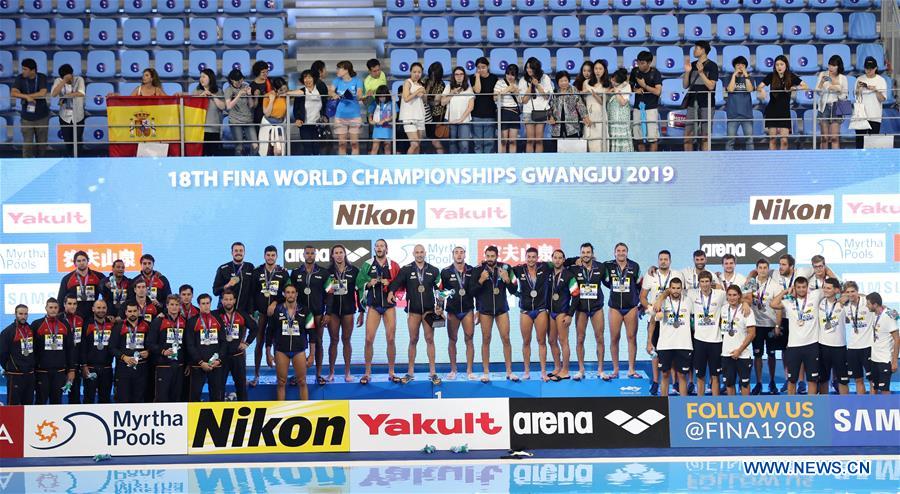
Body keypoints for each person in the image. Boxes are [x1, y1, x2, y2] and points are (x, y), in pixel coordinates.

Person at [387, 245, 444, 384]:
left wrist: (440, 307)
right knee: (413, 340)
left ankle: (433, 372)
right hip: (413, 311)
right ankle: (410, 372)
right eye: (417, 252)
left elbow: (440, 290)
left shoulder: (434, 270)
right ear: (413, 254)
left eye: (421, 252)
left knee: (430, 339)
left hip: (429, 311)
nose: (419, 254)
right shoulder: (406, 269)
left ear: (425, 253)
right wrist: (390, 292)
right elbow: (396, 283)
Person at [357, 240, 401, 384]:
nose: (379, 248)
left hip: (389, 306)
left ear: (386, 249)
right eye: (377, 246)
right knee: (369, 339)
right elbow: (359, 283)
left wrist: (391, 286)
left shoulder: (393, 265)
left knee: (391, 339)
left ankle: (391, 371)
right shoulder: (368, 264)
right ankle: (367, 373)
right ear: (374, 249)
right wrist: (369, 283)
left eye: (382, 246)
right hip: (374, 306)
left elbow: (401, 282)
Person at [471, 246, 518, 382]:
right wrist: (481, 280)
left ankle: (509, 371)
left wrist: (507, 279)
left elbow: (514, 289)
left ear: (497, 256)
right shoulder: (478, 270)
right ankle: (486, 372)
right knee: (486, 339)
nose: (490, 259)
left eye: (493, 256)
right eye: (488, 256)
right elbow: (472, 291)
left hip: (502, 309)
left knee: (506, 338)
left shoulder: (506, 268)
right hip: (485, 310)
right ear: (485, 256)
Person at [770, 277, 821, 395]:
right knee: (792, 380)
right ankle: (791, 406)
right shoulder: (789, 301)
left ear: (807, 287)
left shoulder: (815, 296)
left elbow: (833, 289)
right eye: (798, 287)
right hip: (793, 346)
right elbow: (773, 304)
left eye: (804, 287)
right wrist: (785, 291)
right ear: (795, 288)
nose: (801, 290)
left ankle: (812, 406)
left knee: (812, 380)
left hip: (812, 345)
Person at [566, 243, 608, 381]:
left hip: (596, 308)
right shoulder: (574, 269)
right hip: (581, 309)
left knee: (600, 338)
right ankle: (581, 370)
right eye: (583, 252)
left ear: (592, 253)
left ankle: (600, 370)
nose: (585, 255)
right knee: (580, 338)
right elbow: (561, 263)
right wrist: (573, 260)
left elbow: (611, 278)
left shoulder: (601, 267)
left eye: (588, 252)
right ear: (580, 254)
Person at [266, 284, 315, 400]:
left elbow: (312, 334)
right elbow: (269, 333)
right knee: (281, 382)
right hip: (281, 351)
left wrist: (312, 355)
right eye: (287, 292)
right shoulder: (277, 310)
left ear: (297, 294)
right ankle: (281, 412)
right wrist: (268, 353)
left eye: (293, 292)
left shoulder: (305, 311)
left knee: (302, 381)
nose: (290, 295)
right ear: (284, 294)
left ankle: (305, 410)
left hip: (299, 350)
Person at [324, 244, 364, 382]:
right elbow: (326, 294)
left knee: (346, 340)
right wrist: (326, 313)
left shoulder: (354, 270)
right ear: (332, 255)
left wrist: (361, 311)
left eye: (341, 252)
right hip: (333, 312)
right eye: (336, 252)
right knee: (333, 340)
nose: (339, 255)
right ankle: (331, 372)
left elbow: (359, 292)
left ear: (345, 254)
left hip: (348, 311)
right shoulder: (327, 271)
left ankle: (347, 372)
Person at [512, 247, 552, 381]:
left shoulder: (545, 267)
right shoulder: (519, 269)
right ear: (525, 257)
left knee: (541, 341)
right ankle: (527, 371)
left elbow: (562, 261)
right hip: (525, 310)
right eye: (528, 257)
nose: (531, 259)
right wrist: (516, 293)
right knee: (526, 341)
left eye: (533, 257)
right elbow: (505, 272)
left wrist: (577, 260)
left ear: (537, 258)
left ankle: (543, 372)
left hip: (540, 309)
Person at [742, 259, 782, 395]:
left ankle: (772, 382)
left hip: (770, 324)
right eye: (760, 267)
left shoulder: (775, 285)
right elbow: (743, 298)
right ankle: (758, 383)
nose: (763, 270)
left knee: (771, 355)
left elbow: (779, 308)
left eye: (765, 267)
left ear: (768, 269)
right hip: (756, 325)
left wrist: (777, 325)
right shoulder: (750, 283)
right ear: (756, 268)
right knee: (757, 355)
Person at [290, 245, 329, 385]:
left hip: (318, 314)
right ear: (303, 255)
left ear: (316, 255)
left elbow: (330, 294)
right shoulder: (295, 273)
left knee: (318, 343)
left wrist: (328, 313)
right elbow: (289, 292)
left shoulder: (324, 273)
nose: (310, 255)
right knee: (297, 344)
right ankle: (298, 375)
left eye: (312, 253)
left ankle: (318, 374)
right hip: (298, 314)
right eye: (308, 253)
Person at [250, 245, 287, 387]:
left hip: (276, 313)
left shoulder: (283, 273)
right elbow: (252, 293)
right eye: (268, 255)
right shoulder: (257, 272)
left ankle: (280, 376)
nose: (270, 257)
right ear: (264, 256)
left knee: (278, 344)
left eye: (273, 255)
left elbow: (287, 293)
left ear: (276, 256)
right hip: (260, 313)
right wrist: (254, 312)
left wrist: (275, 303)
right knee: (259, 343)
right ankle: (256, 375)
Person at [604, 243, 641, 379]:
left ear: (627, 252)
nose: (621, 253)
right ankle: (615, 369)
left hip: (631, 307)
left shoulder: (634, 266)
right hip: (614, 308)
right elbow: (605, 281)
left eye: (623, 250)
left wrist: (639, 303)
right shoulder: (608, 266)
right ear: (614, 253)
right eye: (618, 251)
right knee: (614, 338)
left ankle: (631, 369)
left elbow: (640, 284)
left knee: (631, 337)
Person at [650, 278, 693, 397]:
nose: (675, 291)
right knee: (664, 375)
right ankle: (664, 403)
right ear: (669, 288)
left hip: (684, 344)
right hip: (665, 344)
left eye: (678, 288)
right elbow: (653, 320)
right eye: (673, 288)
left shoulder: (689, 301)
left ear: (682, 289)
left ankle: (683, 404)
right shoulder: (662, 302)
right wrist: (649, 342)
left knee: (682, 375)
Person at [440, 246, 477, 381]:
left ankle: (469, 371)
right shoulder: (445, 272)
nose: (459, 255)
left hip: (467, 310)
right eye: (456, 252)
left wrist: (478, 310)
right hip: (452, 310)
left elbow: (477, 291)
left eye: (461, 252)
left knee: (469, 339)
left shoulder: (472, 270)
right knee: (452, 340)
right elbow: (441, 292)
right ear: (453, 255)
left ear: (465, 255)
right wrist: (440, 308)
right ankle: (453, 370)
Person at [641, 250, 674, 395]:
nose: (663, 261)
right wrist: (650, 308)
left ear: (670, 261)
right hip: (654, 319)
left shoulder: (676, 275)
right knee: (654, 352)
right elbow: (642, 296)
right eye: (661, 259)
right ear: (658, 260)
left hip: (671, 320)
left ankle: (675, 383)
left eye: (666, 259)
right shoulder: (651, 275)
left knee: (671, 352)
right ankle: (655, 382)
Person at [31, 298, 75, 404]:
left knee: (56, 402)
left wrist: (71, 369)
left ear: (59, 308)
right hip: (42, 372)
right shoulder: (36, 324)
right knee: (40, 402)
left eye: (55, 307)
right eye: (50, 307)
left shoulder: (65, 324)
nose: (53, 310)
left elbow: (70, 348)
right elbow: (32, 349)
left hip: (59, 372)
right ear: (46, 308)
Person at [758, 55, 807, 150]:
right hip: (772, 111)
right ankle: (773, 162)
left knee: (784, 141)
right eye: (777, 65)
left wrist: (795, 88)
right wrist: (762, 90)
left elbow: (805, 86)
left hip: (784, 112)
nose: (779, 67)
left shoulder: (791, 76)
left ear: (786, 65)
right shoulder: (771, 76)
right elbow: (759, 86)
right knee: (772, 139)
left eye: (781, 64)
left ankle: (783, 162)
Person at [689, 271, 726, 396]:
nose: (704, 284)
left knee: (715, 376)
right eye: (702, 282)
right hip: (699, 341)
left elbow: (734, 301)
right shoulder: (692, 294)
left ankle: (715, 403)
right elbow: (672, 291)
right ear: (699, 283)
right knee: (700, 375)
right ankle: (700, 402)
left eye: (707, 281)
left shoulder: (720, 295)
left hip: (716, 341)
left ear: (711, 283)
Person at [217, 289, 257, 401]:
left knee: (241, 386)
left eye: (230, 299)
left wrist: (247, 343)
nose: (228, 302)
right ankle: (219, 412)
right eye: (226, 299)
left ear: (234, 300)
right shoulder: (215, 314)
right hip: (221, 357)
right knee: (219, 386)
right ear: (222, 301)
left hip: (237, 355)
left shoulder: (241, 314)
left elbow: (255, 328)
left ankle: (244, 412)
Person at [186, 294, 225, 402]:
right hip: (199, 365)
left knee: (217, 395)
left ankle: (216, 418)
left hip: (215, 365)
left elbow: (224, 342)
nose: (206, 306)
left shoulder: (217, 320)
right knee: (195, 395)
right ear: (199, 305)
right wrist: (200, 362)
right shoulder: (192, 322)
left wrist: (219, 360)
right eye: (203, 304)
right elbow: (190, 345)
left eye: (208, 303)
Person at [147, 295, 186, 402]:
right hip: (163, 365)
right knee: (162, 398)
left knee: (176, 397)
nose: (174, 307)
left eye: (177, 305)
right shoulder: (158, 321)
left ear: (180, 307)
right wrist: (163, 351)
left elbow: (187, 344)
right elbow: (150, 343)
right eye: (172, 304)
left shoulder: (184, 321)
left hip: (179, 365)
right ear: (167, 306)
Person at [719, 285, 757, 396]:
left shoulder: (747, 310)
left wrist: (739, 350)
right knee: (729, 384)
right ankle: (733, 409)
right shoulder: (723, 309)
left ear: (739, 296)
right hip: (726, 353)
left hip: (743, 355)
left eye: (734, 295)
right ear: (726, 296)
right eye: (729, 295)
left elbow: (752, 334)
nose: (732, 298)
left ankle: (746, 410)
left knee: (744, 384)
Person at [112, 301, 151, 403]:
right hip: (124, 369)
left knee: (139, 399)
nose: (132, 313)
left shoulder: (147, 326)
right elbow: (112, 348)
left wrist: (148, 352)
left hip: (141, 368)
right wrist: (124, 357)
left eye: (135, 311)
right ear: (126, 312)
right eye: (130, 311)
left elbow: (152, 344)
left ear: (139, 312)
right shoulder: (118, 327)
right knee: (123, 399)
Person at [682, 41, 718, 151]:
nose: (694, 50)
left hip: (707, 103)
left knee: (705, 135)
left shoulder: (712, 66)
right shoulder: (692, 65)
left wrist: (701, 73)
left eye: (696, 48)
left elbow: (711, 86)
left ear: (703, 50)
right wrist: (687, 72)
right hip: (692, 102)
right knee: (688, 134)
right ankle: (688, 160)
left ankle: (705, 162)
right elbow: (685, 85)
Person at [548, 249, 578, 381]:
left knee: (563, 341)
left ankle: (565, 370)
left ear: (564, 260)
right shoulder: (549, 273)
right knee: (552, 340)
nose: (557, 260)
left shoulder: (569, 275)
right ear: (552, 259)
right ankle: (557, 367)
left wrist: (570, 314)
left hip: (562, 312)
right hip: (551, 312)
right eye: (555, 257)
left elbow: (576, 296)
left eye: (560, 258)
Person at [12, 58, 50, 158]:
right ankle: (26, 166)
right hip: (26, 118)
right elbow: (13, 92)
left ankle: (41, 164)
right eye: (22, 69)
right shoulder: (19, 78)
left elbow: (43, 93)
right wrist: (26, 97)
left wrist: (29, 96)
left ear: (33, 70)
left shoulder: (42, 77)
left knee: (42, 144)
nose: (22, 71)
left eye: (25, 69)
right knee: (27, 144)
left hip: (42, 117)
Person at [817, 278, 850, 395]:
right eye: (824, 287)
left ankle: (845, 406)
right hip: (822, 346)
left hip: (839, 347)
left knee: (843, 380)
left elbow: (857, 295)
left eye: (828, 288)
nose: (825, 290)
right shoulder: (819, 302)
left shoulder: (844, 303)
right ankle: (823, 407)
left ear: (836, 290)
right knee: (823, 380)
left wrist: (845, 296)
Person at [80, 299, 115, 404]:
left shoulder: (112, 325)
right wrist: (84, 366)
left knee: (105, 400)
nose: (101, 310)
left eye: (104, 308)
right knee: (88, 399)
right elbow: (82, 347)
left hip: (107, 368)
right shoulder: (87, 325)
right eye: (98, 308)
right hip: (90, 368)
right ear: (93, 309)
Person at [0, 305, 35, 405]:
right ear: (15, 314)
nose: (23, 316)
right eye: (20, 314)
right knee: (13, 406)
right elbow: (2, 354)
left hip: (29, 374)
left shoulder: (30, 330)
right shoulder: (7, 332)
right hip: (15, 375)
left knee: (28, 405)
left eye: (25, 314)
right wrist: (9, 367)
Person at [58, 249, 107, 320]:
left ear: (88, 261)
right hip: (74, 317)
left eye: (84, 260)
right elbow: (61, 299)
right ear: (75, 263)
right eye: (79, 261)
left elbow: (107, 295)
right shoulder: (67, 279)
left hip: (94, 316)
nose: (82, 263)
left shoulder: (99, 276)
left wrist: (107, 313)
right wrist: (60, 317)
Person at [865, 292, 897, 395]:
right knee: (874, 386)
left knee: (884, 390)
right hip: (875, 358)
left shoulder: (888, 316)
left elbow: (897, 339)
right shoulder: (875, 314)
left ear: (875, 305)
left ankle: (887, 409)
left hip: (885, 359)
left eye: (868, 304)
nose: (866, 306)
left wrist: (895, 361)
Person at [843, 281, 871, 394]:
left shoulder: (867, 301)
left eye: (853, 291)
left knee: (872, 379)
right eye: (848, 292)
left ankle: (874, 404)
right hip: (853, 347)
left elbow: (882, 308)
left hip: (868, 346)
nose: (851, 294)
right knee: (858, 379)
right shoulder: (845, 305)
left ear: (858, 291)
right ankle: (862, 404)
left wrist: (896, 315)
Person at [519, 57, 553, 154]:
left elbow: (547, 96)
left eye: (531, 68)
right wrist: (531, 86)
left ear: (536, 68)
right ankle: (529, 162)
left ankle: (538, 162)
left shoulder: (545, 78)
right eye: (527, 67)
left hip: (541, 111)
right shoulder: (523, 80)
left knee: (539, 140)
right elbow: (524, 100)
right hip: (528, 111)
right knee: (530, 140)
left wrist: (537, 85)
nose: (529, 70)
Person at [51, 63, 85, 157]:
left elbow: (81, 93)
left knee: (77, 140)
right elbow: (53, 94)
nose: (68, 81)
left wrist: (65, 96)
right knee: (68, 141)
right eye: (64, 78)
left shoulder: (79, 79)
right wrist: (63, 81)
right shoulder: (58, 80)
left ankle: (78, 160)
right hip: (64, 116)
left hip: (78, 116)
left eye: (68, 78)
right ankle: (70, 160)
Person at [630, 51, 662, 152]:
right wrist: (636, 90)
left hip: (651, 108)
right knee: (638, 138)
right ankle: (641, 162)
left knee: (652, 138)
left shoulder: (655, 73)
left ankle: (653, 162)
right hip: (637, 108)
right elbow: (629, 87)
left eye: (642, 63)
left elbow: (658, 92)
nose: (639, 65)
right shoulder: (635, 71)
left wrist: (644, 86)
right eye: (638, 62)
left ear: (649, 63)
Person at [815, 55, 849, 150]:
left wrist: (835, 88)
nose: (831, 68)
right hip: (824, 107)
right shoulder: (822, 74)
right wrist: (822, 83)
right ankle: (823, 161)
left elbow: (845, 96)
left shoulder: (843, 78)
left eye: (834, 65)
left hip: (837, 106)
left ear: (839, 66)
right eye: (830, 65)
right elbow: (818, 92)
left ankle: (835, 161)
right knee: (824, 138)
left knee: (835, 138)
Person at [331, 61, 364, 155]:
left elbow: (359, 94)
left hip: (354, 115)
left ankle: (355, 166)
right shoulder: (336, 80)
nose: (337, 70)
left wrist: (357, 96)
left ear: (346, 70)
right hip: (340, 116)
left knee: (354, 144)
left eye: (339, 68)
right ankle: (342, 165)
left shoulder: (357, 81)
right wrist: (334, 94)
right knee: (342, 144)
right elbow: (331, 90)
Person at [853, 57, 887, 149]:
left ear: (875, 68)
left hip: (875, 116)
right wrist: (859, 90)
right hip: (861, 116)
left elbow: (882, 99)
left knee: (873, 144)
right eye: (867, 68)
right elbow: (856, 97)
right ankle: (859, 162)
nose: (869, 70)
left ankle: (871, 163)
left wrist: (876, 90)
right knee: (859, 143)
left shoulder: (881, 80)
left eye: (871, 68)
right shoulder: (859, 79)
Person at [292, 69, 328, 156]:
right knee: (307, 146)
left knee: (317, 147)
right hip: (304, 124)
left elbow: (325, 104)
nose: (307, 80)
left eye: (309, 77)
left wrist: (325, 116)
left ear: (314, 78)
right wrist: (297, 119)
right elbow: (296, 109)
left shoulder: (320, 90)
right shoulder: (300, 92)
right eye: (305, 78)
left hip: (317, 124)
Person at [212, 242, 255, 313]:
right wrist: (227, 285)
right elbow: (215, 291)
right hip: (225, 311)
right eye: (236, 250)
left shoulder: (249, 267)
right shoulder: (223, 268)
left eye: (241, 250)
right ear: (232, 253)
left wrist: (250, 311)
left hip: (244, 311)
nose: (238, 253)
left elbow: (252, 291)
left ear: (244, 252)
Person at [548, 71, 590, 142]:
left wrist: (585, 117)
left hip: (572, 126)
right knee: (556, 147)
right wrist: (550, 117)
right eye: (561, 81)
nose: (563, 83)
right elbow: (550, 107)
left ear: (569, 80)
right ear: (557, 82)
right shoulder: (555, 92)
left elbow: (580, 105)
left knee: (572, 146)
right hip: (557, 126)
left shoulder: (573, 90)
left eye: (565, 80)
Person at [441, 66, 475, 154]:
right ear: (453, 76)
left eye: (461, 74)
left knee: (464, 144)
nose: (459, 76)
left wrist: (461, 119)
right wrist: (452, 93)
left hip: (464, 120)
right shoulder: (448, 87)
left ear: (464, 76)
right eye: (456, 74)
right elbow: (443, 102)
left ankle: (463, 164)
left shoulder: (469, 88)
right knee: (452, 144)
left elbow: (471, 107)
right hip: (451, 120)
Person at [224, 69, 258, 156]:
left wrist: (249, 94)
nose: (240, 82)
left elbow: (251, 105)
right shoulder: (229, 90)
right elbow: (228, 106)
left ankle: (253, 165)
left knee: (255, 145)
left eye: (241, 79)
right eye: (237, 80)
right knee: (239, 148)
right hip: (235, 121)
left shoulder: (246, 86)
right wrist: (239, 95)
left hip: (248, 120)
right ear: (231, 80)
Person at [724, 56, 755, 151]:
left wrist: (746, 75)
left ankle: (751, 161)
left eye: (742, 65)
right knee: (730, 141)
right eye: (738, 64)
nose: (740, 66)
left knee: (749, 140)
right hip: (733, 115)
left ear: (746, 66)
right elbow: (730, 89)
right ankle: (728, 161)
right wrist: (734, 76)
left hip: (747, 115)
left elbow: (750, 89)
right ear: (734, 67)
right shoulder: (728, 77)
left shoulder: (750, 78)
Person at [470, 57, 498, 154]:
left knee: (489, 141)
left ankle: (488, 161)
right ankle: (479, 162)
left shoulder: (494, 78)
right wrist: (477, 77)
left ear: (488, 67)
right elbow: (477, 90)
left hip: (490, 113)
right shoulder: (472, 78)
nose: (481, 69)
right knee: (477, 141)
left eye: (483, 67)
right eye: (478, 67)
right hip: (476, 114)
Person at [400, 62, 427, 155]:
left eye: (419, 72)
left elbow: (425, 100)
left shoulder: (421, 84)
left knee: (418, 144)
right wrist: (417, 91)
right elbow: (406, 98)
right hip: (409, 116)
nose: (417, 74)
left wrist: (423, 94)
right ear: (410, 72)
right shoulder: (407, 82)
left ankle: (416, 166)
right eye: (414, 71)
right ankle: (406, 165)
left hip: (419, 115)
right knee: (414, 143)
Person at [583, 59, 610, 153]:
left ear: (604, 70)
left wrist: (594, 94)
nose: (597, 71)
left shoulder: (607, 84)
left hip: (601, 114)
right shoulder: (586, 82)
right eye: (596, 68)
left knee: (601, 141)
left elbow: (603, 102)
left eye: (600, 69)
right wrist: (583, 93)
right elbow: (582, 100)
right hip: (589, 115)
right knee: (591, 141)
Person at [493, 64, 521, 153]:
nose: (510, 76)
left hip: (514, 112)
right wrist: (508, 89)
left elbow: (521, 101)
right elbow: (495, 98)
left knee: (513, 141)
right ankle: (502, 162)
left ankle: (512, 162)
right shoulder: (500, 82)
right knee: (503, 141)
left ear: (516, 75)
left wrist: (516, 92)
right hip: (503, 112)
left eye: (512, 74)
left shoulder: (518, 83)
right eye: (508, 74)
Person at [62, 295, 85, 404]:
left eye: (74, 304)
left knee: (75, 395)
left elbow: (83, 343)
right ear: (64, 304)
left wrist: (82, 363)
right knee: (56, 394)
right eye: (70, 303)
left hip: (75, 363)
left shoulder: (80, 319)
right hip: (61, 364)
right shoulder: (58, 319)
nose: (72, 306)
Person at [260, 77, 289, 155]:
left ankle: (278, 166)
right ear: (275, 89)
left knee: (278, 150)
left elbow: (300, 92)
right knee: (266, 149)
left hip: (280, 123)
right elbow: (267, 113)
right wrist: (272, 100)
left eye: (285, 89)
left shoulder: (286, 96)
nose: (284, 91)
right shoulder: (267, 96)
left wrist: (286, 94)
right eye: (281, 90)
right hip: (268, 123)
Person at [607, 69, 633, 153]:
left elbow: (622, 102)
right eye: (612, 79)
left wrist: (616, 91)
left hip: (621, 119)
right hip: (612, 119)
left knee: (622, 137)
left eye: (615, 81)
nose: (613, 82)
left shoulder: (626, 86)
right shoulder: (611, 87)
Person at [424, 62, 447, 154]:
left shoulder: (441, 84)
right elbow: (423, 96)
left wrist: (427, 101)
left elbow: (436, 102)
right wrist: (429, 85)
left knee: (435, 139)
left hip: (436, 115)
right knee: (427, 138)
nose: (432, 77)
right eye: (431, 74)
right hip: (425, 114)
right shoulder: (425, 81)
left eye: (435, 75)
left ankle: (441, 158)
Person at [369, 85, 394, 155]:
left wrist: (385, 120)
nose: (382, 98)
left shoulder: (392, 103)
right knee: (374, 148)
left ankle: (388, 166)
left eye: (383, 96)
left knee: (387, 148)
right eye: (380, 96)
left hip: (388, 129)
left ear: (387, 95)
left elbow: (394, 116)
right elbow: (370, 114)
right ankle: (371, 165)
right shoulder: (374, 103)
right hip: (377, 129)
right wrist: (370, 120)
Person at [364, 58, 387, 125]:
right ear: (369, 71)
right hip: (374, 102)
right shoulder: (367, 81)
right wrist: (370, 93)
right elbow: (369, 95)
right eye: (374, 71)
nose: (377, 73)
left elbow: (383, 88)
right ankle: (370, 120)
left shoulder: (382, 74)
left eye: (378, 70)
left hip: (384, 100)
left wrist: (374, 90)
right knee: (370, 102)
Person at [249, 61, 271, 125]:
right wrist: (256, 97)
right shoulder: (252, 86)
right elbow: (253, 106)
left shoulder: (270, 81)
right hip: (259, 113)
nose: (266, 74)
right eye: (263, 72)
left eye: (267, 71)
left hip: (271, 111)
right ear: (257, 72)